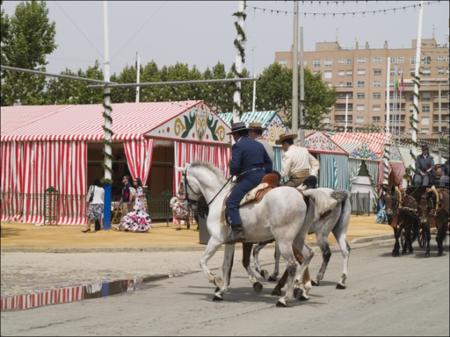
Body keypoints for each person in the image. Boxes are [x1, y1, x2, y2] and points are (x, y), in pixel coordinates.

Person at [226, 121, 273, 243]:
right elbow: (269, 163)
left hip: (249, 178)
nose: (233, 138)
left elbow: (235, 167)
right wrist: (264, 175)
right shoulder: (258, 145)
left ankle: (237, 230)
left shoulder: (238, 146)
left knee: (231, 202)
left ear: (236, 135)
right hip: (262, 176)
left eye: (233, 135)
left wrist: (233, 170)